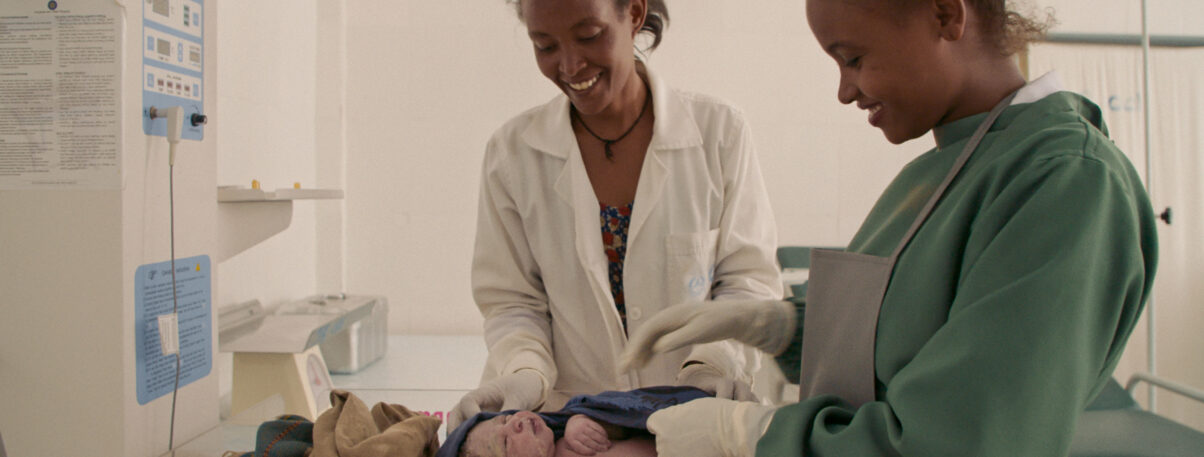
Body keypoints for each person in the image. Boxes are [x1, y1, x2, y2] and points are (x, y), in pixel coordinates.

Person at [618, 0, 1159, 455]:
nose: (844, 91)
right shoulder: (945, 167)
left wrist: (749, 435)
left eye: (852, 59)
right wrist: (784, 326)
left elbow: (963, 439)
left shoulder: (1064, 180)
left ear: (945, 15)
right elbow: (905, 338)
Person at [450, 0, 783, 430]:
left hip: (690, 418)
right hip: (564, 422)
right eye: (545, 45)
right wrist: (524, 372)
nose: (570, 65)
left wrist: (712, 364)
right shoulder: (513, 154)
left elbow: (748, 283)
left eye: (589, 36)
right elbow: (513, 302)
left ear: (635, 14)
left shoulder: (720, 133)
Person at [439, 386, 710, 457]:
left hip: (691, 442)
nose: (515, 423)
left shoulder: (570, 438)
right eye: (506, 443)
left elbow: (622, 422)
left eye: (505, 419)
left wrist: (581, 420)